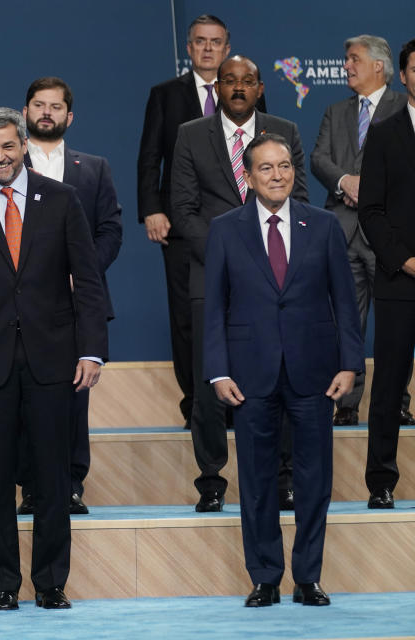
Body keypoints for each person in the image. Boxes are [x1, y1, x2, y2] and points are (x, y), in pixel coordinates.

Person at [0, 108, 108, 611]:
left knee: (52, 477)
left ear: (24, 146)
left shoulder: (62, 200)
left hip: (53, 361)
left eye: (8, 147)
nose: (0, 157)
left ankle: (51, 583)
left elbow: (89, 283)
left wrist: (92, 349)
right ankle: (4, 585)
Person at [204, 133, 362, 607]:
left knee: (315, 479)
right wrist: (218, 371)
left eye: (285, 166)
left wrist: (350, 364)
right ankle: (265, 577)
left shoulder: (326, 225)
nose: (278, 175)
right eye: (266, 168)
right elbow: (213, 307)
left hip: (315, 372)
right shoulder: (225, 229)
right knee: (255, 480)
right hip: (249, 374)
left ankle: (308, 577)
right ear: (248, 177)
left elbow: (345, 303)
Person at [171, 55, 307, 513]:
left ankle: (283, 476)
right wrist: (229, 254)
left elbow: (300, 200)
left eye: (247, 81)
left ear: (260, 87)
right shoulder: (192, 134)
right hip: (211, 272)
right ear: (218, 87)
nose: (238, 88)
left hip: (276, 277)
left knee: (280, 373)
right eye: (229, 81)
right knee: (209, 380)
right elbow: (184, 211)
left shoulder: (283, 130)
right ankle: (211, 480)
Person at [137, 15, 264, 428]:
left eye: (215, 42)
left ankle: (240, 397)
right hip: (183, 225)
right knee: (187, 315)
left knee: (243, 312)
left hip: (245, 226)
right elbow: (149, 157)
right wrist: (152, 209)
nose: (208, 49)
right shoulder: (165, 94)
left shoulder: (248, 90)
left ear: (227, 48)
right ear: (188, 49)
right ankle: (196, 401)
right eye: (199, 42)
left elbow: (264, 154)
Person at [16, 77, 122, 516]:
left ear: (69, 116)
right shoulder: (6, 161)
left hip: (77, 305)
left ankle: (71, 485)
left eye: (55, 107)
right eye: (38, 104)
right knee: (22, 398)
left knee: (75, 398)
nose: (46, 112)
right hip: (19, 306)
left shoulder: (93, 168)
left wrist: (84, 273)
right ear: (25, 112)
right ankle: (31, 489)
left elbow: (110, 229)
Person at [311, 35, 414, 428]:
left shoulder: (402, 108)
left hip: (389, 235)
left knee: (398, 326)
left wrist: (368, 185)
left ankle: (397, 401)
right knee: (345, 320)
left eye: (354, 59)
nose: (347, 66)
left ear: (379, 66)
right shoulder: (335, 111)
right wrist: (344, 181)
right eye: (345, 59)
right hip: (342, 229)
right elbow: (319, 157)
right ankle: (347, 402)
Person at [358, 38, 415, 510]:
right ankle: (381, 480)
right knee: (390, 383)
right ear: (404, 75)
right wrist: (404, 259)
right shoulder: (383, 132)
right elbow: (371, 211)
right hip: (400, 281)